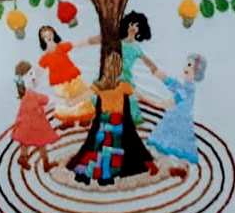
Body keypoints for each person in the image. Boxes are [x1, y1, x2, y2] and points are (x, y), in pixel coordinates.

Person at [67, 52, 158, 185]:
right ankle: (104, 175)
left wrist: (72, 102)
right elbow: (139, 95)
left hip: (105, 121)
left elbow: (84, 95)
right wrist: (155, 103)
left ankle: (88, 173)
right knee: (110, 150)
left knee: (99, 148)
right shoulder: (122, 85)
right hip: (115, 121)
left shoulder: (102, 85)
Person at [146, 53, 207, 165]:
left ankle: (170, 161)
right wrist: (162, 77)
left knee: (174, 140)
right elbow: (174, 85)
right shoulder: (184, 86)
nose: (186, 67)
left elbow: (176, 97)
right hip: (174, 117)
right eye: (187, 64)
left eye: (189, 65)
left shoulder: (189, 89)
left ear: (196, 71)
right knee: (166, 137)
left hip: (179, 119)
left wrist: (157, 103)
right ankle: (162, 159)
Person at [38, 25, 96, 129]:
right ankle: (68, 120)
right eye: (45, 36)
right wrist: (32, 81)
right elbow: (39, 70)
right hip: (59, 83)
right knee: (64, 102)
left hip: (72, 78)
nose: (48, 37)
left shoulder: (61, 47)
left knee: (80, 96)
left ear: (53, 34)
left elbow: (76, 44)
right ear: (42, 39)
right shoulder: (45, 57)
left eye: (49, 34)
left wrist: (90, 41)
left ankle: (85, 117)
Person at [12, 61, 60, 172]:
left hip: (25, 125)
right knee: (41, 144)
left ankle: (23, 158)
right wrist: (60, 99)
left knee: (25, 142)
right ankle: (46, 164)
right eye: (30, 74)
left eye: (32, 74)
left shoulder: (25, 95)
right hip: (35, 126)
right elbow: (47, 100)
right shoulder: (32, 95)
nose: (34, 77)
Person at [118, 11, 157, 125]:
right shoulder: (119, 43)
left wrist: (153, 67)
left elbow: (145, 59)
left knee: (128, 99)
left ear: (140, 30)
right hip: (115, 73)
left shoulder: (136, 47)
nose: (133, 27)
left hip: (126, 77)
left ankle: (126, 119)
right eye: (131, 24)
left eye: (136, 25)